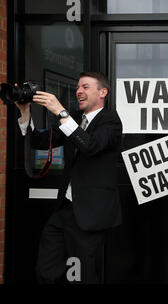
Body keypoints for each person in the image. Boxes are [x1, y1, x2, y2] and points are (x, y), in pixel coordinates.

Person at [15, 71, 123, 283]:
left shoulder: (110, 120)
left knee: (82, 274)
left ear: (103, 92)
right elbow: (39, 141)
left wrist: (61, 113)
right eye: (78, 87)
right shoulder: (73, 118)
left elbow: (90, 146)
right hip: (64, 209)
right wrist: (25, 112)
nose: (79, 91)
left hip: (91, 213)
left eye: (85, 87)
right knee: (46, 268)